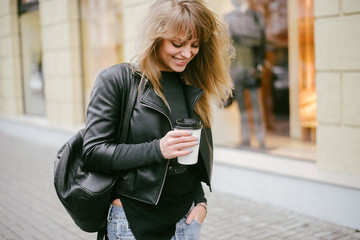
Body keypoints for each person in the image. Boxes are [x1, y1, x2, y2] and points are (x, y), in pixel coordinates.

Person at [82, 0, 233, 239]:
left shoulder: (190, 83)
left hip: (184, 220)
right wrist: (158, 149)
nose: (187, 53)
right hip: (132, 222)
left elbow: (189, 157)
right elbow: (93, 153)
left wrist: (200, 202)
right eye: (178, 43)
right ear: (156, 37)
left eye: (195, 45)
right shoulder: (117, 80)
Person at [225, 0, 267, 149]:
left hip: (252, 68)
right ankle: (245, 139)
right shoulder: (228, 18)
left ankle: (261, 140)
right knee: (242, 107)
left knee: (256, 106)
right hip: (236, 69)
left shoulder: (256, 17)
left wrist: (260, 64)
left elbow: (261, 42)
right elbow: (226, 47)